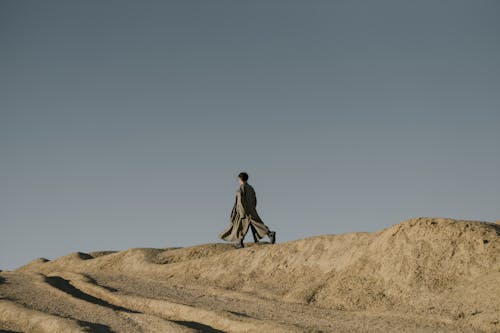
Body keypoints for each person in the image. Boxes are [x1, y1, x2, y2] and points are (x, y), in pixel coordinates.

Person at [219, 172, 276, 248]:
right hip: (251, 210)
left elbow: (240, 202)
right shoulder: (251, 188)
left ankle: (240, 242)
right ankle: (269, 234)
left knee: (241, 226)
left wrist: (242, 213)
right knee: (256, 224)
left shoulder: (240, 188)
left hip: (243, 211)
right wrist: (252, 208)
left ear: (240, 179)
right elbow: (255, 200)